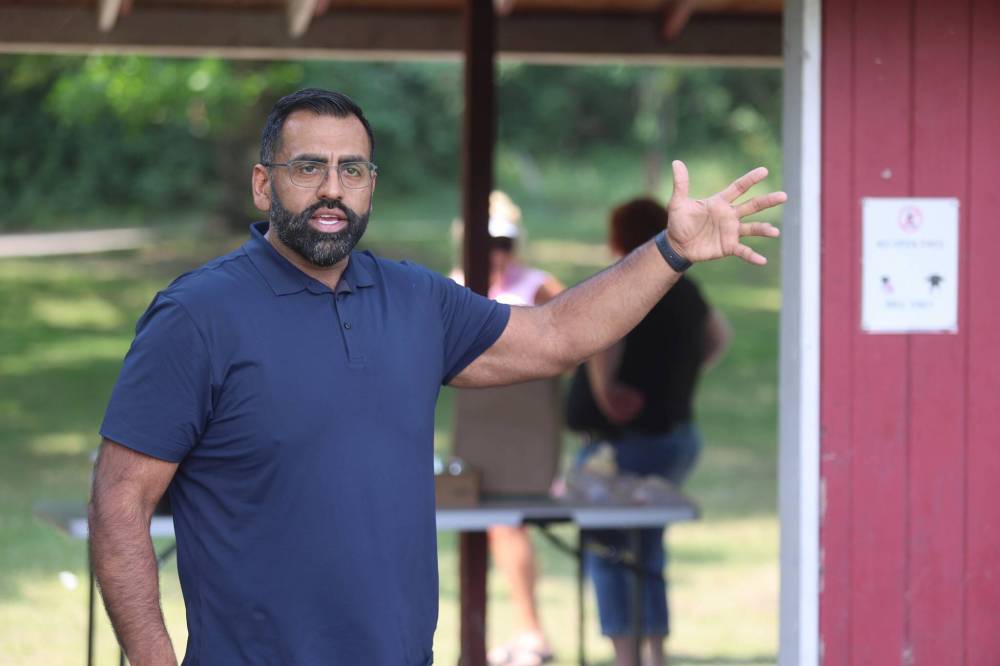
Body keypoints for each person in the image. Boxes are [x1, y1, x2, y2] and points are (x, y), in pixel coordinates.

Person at [88, 88, 784, 666]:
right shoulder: (198, 315)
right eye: (309, 167)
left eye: (353, 170)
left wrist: (670, 252)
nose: (333, 189)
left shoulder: (416, 300)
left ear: (371, 186)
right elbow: (119, 503)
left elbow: (556, 335)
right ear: (265, 182)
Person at [566, 197, 732, 666]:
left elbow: (604, 336)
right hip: (672, 434)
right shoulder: (687, 288)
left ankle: (626, 656)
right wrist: (679, 375)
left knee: (610, 548)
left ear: (618, 237)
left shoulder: (629, 282)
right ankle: (654, 653)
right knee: (647, 550)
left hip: (626, 443)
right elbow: (720, 336)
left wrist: (605, 393)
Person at [451, 191, 564, 665]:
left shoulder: (539, 287)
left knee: (505, 527)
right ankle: (485, 638)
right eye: (488, 241)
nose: (497, 251)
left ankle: (530, 629)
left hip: (524, 434)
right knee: (477, 531)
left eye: (504, 241)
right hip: (476, 433)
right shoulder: (455, 287)